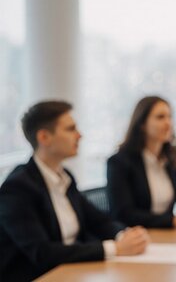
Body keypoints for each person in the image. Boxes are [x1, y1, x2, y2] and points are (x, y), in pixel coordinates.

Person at [0, 101, 149, 281]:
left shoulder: (64, 177)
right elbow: (42, 252)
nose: (79, 135)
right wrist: (115, 248)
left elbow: (98, 221)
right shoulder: (17, 189)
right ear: (44, 137)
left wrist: (124, 234)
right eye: (70, 129)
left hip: (71, 271)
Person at [107, 96, 176, 228]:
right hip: (137, 238)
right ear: (142, 124)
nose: (168, 123)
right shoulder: (119, 162)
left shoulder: (169, 159)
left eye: (170, 117)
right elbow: (124, 214)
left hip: (167, 237)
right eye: (160, 117)